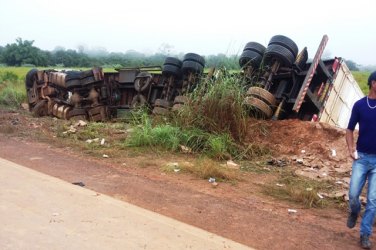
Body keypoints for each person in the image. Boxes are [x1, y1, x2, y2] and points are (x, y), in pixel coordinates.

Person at [346, 71, 376, 249]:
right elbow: (349, 129)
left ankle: (365, 234)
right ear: (373, 83)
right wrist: (351, 148)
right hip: (362, 158)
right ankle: (354, 211)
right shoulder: (360, 105)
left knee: (373, 200)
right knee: (353, 195)